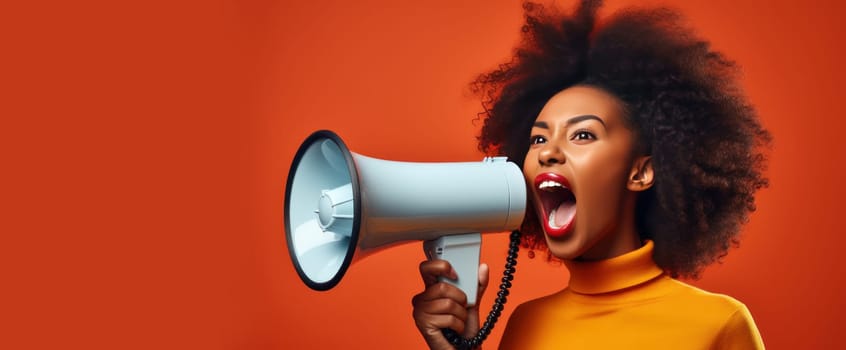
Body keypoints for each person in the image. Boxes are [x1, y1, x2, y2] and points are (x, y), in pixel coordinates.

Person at [411, 0, 770, 349]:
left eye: (582, 134)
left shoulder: (719, 324)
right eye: (538, 138)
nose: (548, 152)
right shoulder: (525, 322)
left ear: (641, 171)